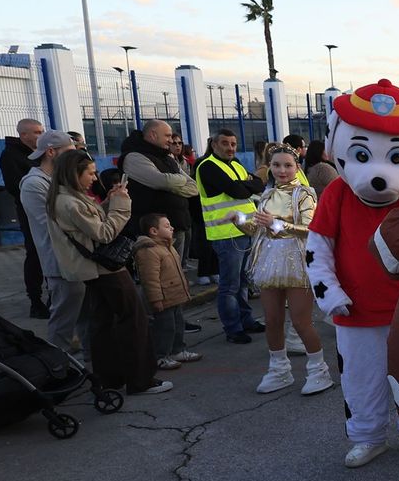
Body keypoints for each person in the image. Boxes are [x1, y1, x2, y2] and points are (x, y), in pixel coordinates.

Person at [48, 150, 169, 396]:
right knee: (133, 320)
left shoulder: (67, 198)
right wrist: (122, 205)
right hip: (104, 269)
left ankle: (110, 379)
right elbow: (103, 233)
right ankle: (141, 380)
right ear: (74, 174)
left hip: (93, 270)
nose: (95, 178)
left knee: (103, 324)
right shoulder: (69, 202)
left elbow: (90, 225)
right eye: (90, 173)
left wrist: (109, 202)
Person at [234, 144, 330, 396]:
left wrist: (276, 223)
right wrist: (239, 221)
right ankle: (279, 370)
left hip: (296, 260)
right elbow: (258, 229)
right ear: (270, 167)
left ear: (297, 167)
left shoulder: (305, 194)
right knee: (272, 320)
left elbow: (310, 229)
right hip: (269, 261)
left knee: (300, 321)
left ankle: (319, 371)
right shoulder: (267, 195)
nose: (282, 170)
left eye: (288, 165)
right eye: (276, 165)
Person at [17, 131, 91, 354]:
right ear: (51, 152)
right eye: (69, 152)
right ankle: (59, 363)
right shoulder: (34, 184)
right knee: (64, 319)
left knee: (87, 315)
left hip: (80, 257)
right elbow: (53, 224)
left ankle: (92, 359)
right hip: (60, 261)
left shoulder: (63, 180)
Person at [195, 130, 265, 344]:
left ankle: (246, 320)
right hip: (226, 234)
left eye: (233, 144)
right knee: (230, 285)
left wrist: (245, 185)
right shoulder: (207, 166)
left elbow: (259, 184)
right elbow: (238, 191)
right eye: (225, 143)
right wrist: (246, 184)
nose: (230, 148)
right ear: (214, 145)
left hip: (246, 230)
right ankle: (233, 328)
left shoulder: (235, 164)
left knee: (243, 282)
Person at [121, 120, 198, 264]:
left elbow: (194, 187)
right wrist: (180, 180)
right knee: (157, 272)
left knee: (175, 270)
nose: (171, 141)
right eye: (167, 136)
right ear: (153, 135)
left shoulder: (167, 158)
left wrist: (171, 183)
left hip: (177, 225)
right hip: (152, 231)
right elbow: (162, 181)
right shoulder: (134, 157)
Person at [135, 213, 200, 370]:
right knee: (164, 329)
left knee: (178, 325)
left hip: (174, 296)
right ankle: (160, 356)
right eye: (166, 226)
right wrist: (156, 299)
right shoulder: (149, 251)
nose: (171, 228)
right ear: (153, 231)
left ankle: (177, 350)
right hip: (163, 299)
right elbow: (150, 279)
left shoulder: (168, 246)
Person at [0, 118, 49, 319]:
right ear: (23, 135)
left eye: (42, 131)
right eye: (36, 132)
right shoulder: (10, 155)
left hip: (49, 209)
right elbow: (14, 186)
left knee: (50, 252)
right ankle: (35, 301)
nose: (40, 135)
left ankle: (53, 296)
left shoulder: (41, 152)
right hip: (29, 212)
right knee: (35, 254)